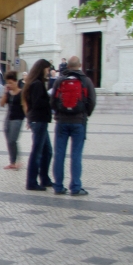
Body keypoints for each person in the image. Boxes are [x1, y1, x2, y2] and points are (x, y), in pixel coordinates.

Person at [50, 56, 96, 195]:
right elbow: (92, 101)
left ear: (68, 66)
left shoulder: (59, 80)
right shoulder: (86, 81)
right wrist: (85, 114)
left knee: (59, 154)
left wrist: (58, 113)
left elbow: (52, 101)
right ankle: (75, 187)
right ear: (80, 65)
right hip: (78, 122)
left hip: (62, 122)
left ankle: (58, 186)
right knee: (76, 155)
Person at [22, 59, 54, 191]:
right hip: (39, 120)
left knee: (47, 151)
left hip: (39, 120)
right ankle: (31, 182)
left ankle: (44, 178)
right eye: (47, 69)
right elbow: (37, 103)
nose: (48, 72)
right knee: (37, 152)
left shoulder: (36, 83)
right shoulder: (37, 84)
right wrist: (49, 99)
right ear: (42, 69)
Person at [0, 70, 24, 170]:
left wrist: (29, 119)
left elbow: (25, 106)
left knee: (13, 140)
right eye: (7, 83)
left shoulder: (21, 93)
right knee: (9, 141)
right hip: (8, 118)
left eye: (11, 83)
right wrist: (6, 92)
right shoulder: (8, 93)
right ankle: (12, 162)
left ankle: (17, 160)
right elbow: (1, 104)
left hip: (17, 119)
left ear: (16, 82)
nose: (9, 85)